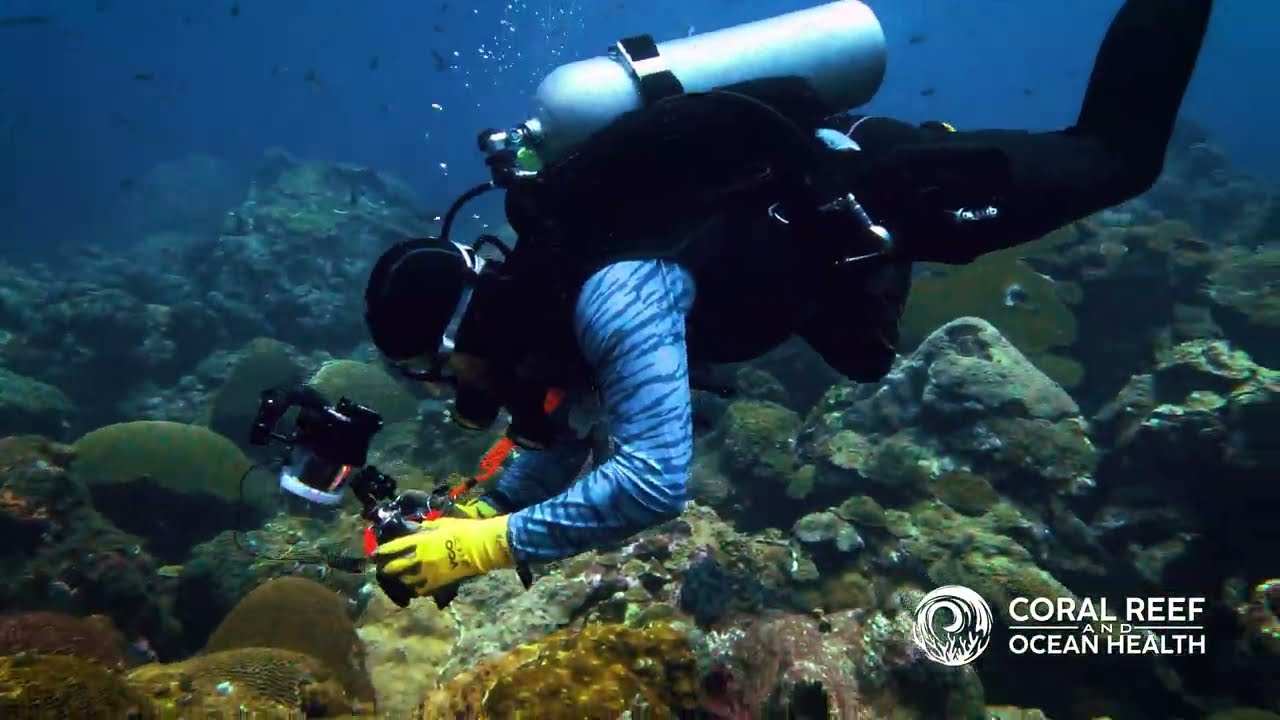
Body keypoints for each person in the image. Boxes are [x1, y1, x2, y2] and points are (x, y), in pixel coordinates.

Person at [363, 0, 1213, 601]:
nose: (439, 391)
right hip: (824, 235)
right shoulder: (544, 311)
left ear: (459, 325)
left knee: (1114, 156)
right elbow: (564, 431)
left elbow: (654, 481)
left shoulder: (612, 292)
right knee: (860, 347)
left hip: (893, 193)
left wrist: (488, 546)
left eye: (428, 370)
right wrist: (479, 509)